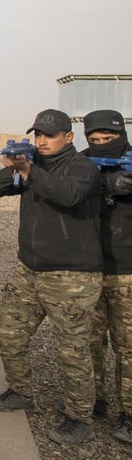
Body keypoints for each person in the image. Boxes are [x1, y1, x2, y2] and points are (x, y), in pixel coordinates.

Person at [0, 109, 104, 446]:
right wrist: (14, 168)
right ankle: (20, 391)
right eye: (38, 135)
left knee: (73, 350)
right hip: (29, 271)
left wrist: (29, 171)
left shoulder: (82, 167)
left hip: (72, 277)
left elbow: (67, 195)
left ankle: (80, 417)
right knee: (10, 335)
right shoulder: (33, 165)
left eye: (49, 135)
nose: (41, 141)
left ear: (68, 137)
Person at [82, 109, 132, 444]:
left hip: (128, 274)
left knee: (128, 348)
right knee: (91, 342)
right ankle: (95, 399)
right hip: (89, 270)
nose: (102, 144)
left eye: (109, 139)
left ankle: (128, 414)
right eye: (95, 140)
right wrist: (102, 185)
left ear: (122, 135)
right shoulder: (81, 163)